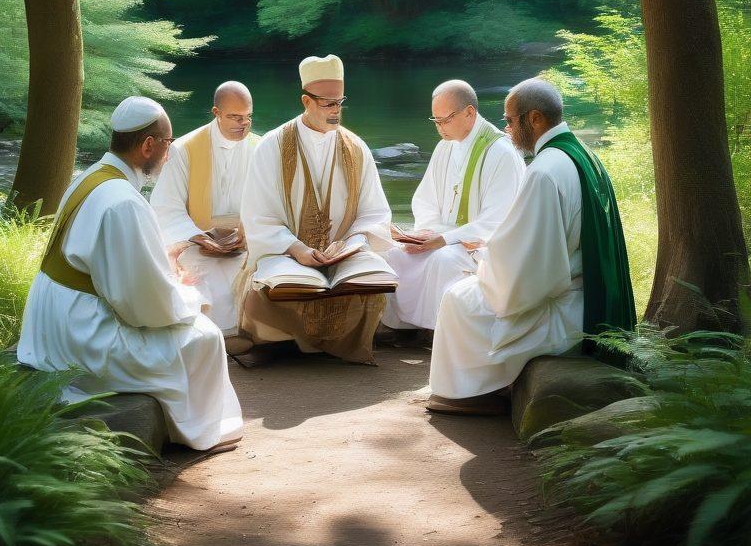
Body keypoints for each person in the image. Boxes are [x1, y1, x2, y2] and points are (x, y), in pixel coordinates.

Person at [18, 96, 243, 452]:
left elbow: (107, 268)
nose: (169, 153)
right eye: (167, 144)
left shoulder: (89, 177)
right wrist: (191, 297)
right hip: (81, 341)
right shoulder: (122, 202)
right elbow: (144, 309)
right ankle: (200, 433)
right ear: (148, 146)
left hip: (51, 324)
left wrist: (162, 268)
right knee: (205, 337)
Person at [428, 77, 636, 415]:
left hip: (568, 308)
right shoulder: (583, 155)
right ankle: (483, 385)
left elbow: (527, 270)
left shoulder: (543, 172)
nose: (506, 128)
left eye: (510, 119)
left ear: (535, 118)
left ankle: (471, 393)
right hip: (591, 294)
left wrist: (485, 257)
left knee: (458, 299)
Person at [240, 54, 395, 364]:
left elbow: (375, 214)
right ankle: (283, 343)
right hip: (288, 254)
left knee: (371, 275)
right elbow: (257, 217)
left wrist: (353, 244)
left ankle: (342, 342)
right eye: (327, 103)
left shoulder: (356, 148)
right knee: (277, 283)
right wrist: (296, 249)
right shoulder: (272, 146)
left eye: (340, 102)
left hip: (342, 257)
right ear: (306, 101)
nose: (336, 110)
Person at [382, 79, 525, 332]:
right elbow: (425, 200)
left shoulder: (501, 152)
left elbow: (498, 220)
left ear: (470, 112)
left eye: (445, 120)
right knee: (395, 255)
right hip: (442, 236)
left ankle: (441, 333)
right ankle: (405, 328)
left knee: (443, 260)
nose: (439, 128)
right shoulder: (444, 148)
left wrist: (445, 238)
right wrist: (426, 233)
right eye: (435, 121)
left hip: (479, 245)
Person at [150, 81, 259, 336]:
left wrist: (250, 229)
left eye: (247, 117)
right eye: (234, 116)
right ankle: (218, 337)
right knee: (210, 282)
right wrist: (199, 236)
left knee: (255, 277)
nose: (242, 124)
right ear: (216, 113)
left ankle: (251, 335)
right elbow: (166, 207)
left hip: (246, 243)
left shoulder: (261, 148)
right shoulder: (183, 149)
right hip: (197, 242)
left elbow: (271, 204)